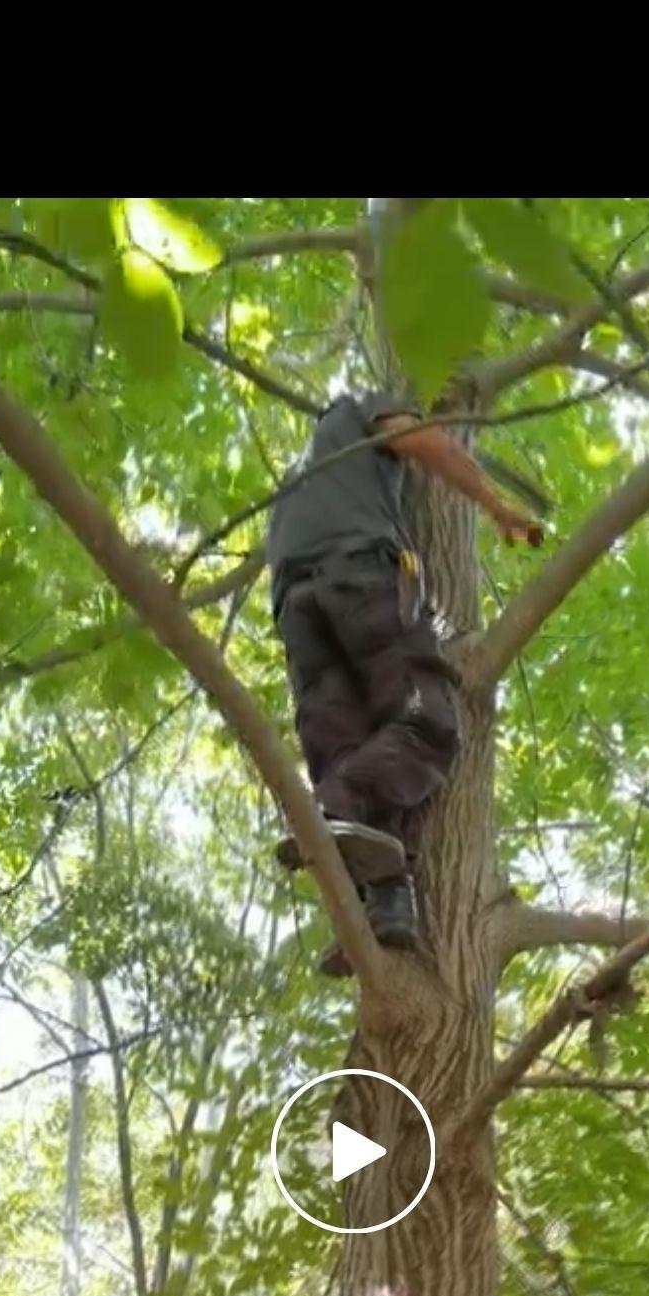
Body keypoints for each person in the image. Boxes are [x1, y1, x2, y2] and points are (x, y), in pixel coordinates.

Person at [267, 391, 543, 962]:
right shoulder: (360, 408)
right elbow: (425, 442)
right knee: (426, 724)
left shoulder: (297, 482)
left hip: (297, 609)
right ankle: (330, 815)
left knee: (345, 744)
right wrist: (498, 507)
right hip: (362, 574)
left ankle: (385, 906)